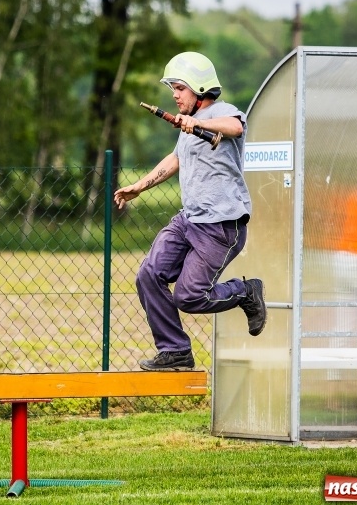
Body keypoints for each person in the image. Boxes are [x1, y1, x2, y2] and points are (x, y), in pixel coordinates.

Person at [113, 52, 267, 371]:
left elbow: (235, 127)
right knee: (149, 275)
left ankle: (245, 291)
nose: (174, 95)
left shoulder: (222, 113)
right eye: (173, 88)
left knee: (189, 297)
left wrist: (199, 123)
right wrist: (139, 186)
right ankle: (175, 350)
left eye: (180, 88)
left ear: (199, 88)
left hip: (221, 227)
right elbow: (176, 159)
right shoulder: (186, 127)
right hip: (188, 220)